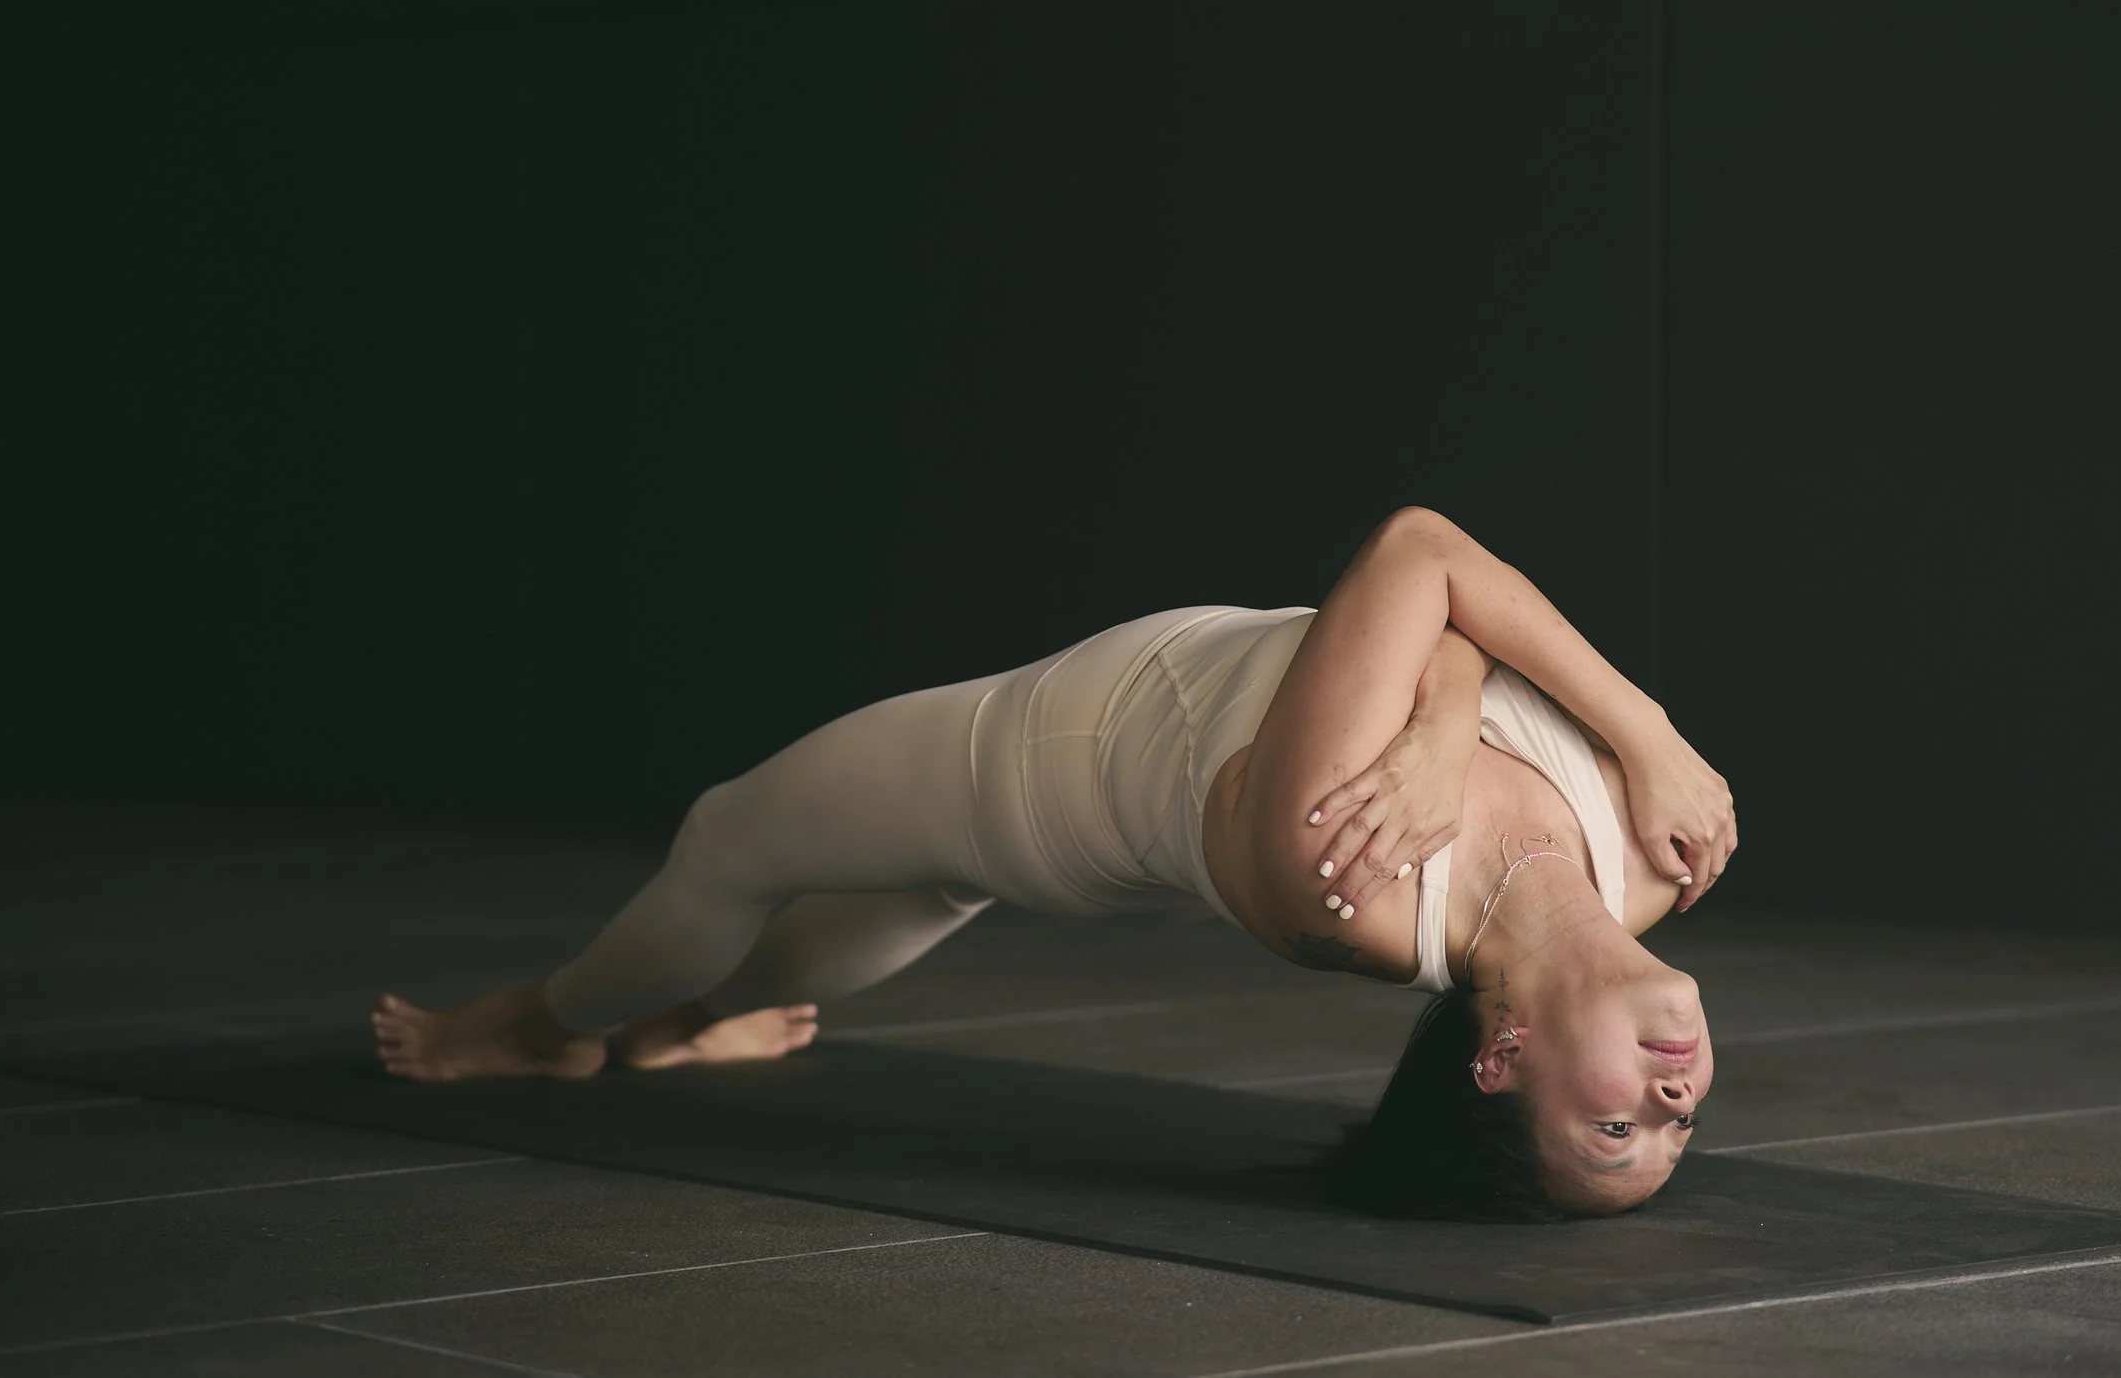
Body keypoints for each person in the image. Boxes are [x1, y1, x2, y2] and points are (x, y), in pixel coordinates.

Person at [372, 507, 1737, 1218]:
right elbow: (1431, 622)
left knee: (735, 835)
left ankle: (539, 1028)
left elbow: (1422, 556)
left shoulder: (1355, 886)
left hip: (1046, 756)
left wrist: (1494, 711)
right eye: (1676, 1127)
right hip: (1149, 722)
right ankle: (695, 1019)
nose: (1674, 1102)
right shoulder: (1665, 843)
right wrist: (1625, 731)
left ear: (1499, 1062)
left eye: (1620, 1125)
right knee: (926, 886)